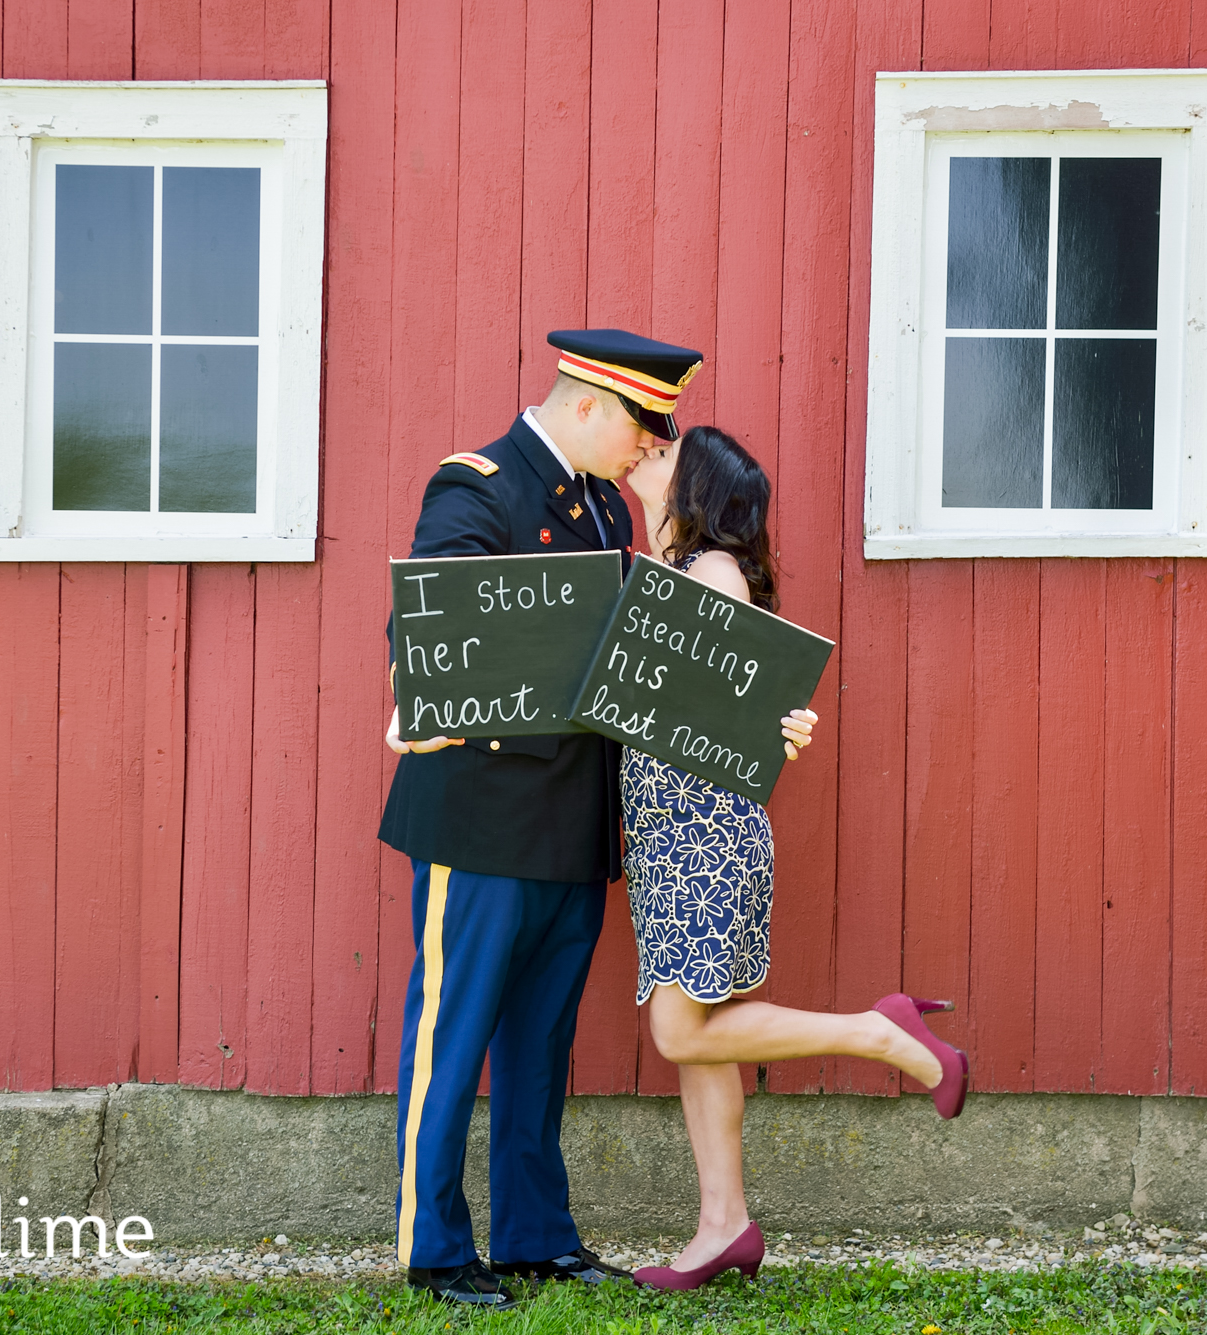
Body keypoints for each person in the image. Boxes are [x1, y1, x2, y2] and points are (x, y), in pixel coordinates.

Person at [379, 329, 722, 1311]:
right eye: (641, 427)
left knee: (537, 1050)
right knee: (450, 1040)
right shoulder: (478, 485)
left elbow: (630, 655)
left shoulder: (599, 501)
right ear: (587, 406)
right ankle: (435, 1247)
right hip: (481, 824)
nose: (649, 448)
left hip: (571, 824)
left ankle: (534, 1237)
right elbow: (428, 626)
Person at [616, 424, 970, 1292]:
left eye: (659, 454)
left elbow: (728, 707)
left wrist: (781, 725)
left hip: (702, 836)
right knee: (704, 1040)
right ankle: (722, 1225)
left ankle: (882, 1033)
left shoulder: (709, 574)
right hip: (673, 836)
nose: (639, 455)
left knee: (677, 1029)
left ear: (691, 485)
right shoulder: (673, 573)